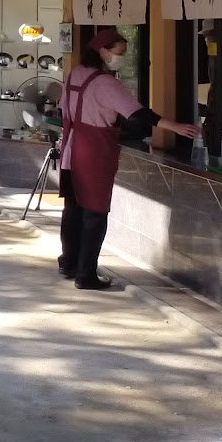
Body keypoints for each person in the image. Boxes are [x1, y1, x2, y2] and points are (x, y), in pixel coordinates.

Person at [59, 29, 198, 290]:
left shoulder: (75, 74)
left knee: (73, 208)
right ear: (102, 51)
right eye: (119, 53)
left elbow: (64, 107)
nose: (121, 58)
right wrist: (175, 127)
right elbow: (139, 114)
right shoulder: (106, 83)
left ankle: (69, 262)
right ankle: (86, 274)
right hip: (94, 150)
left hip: (71, 145)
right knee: (95, 212)